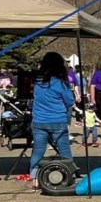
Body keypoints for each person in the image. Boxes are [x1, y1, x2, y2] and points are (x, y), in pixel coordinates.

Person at [29, 52, 77, 191]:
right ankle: (69, 175)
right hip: (57, 120)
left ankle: (35, 178)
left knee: (38, 151)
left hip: (39, 121)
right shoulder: (60, 82)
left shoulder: (38, 82)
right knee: (64, 150)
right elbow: (70, 101)